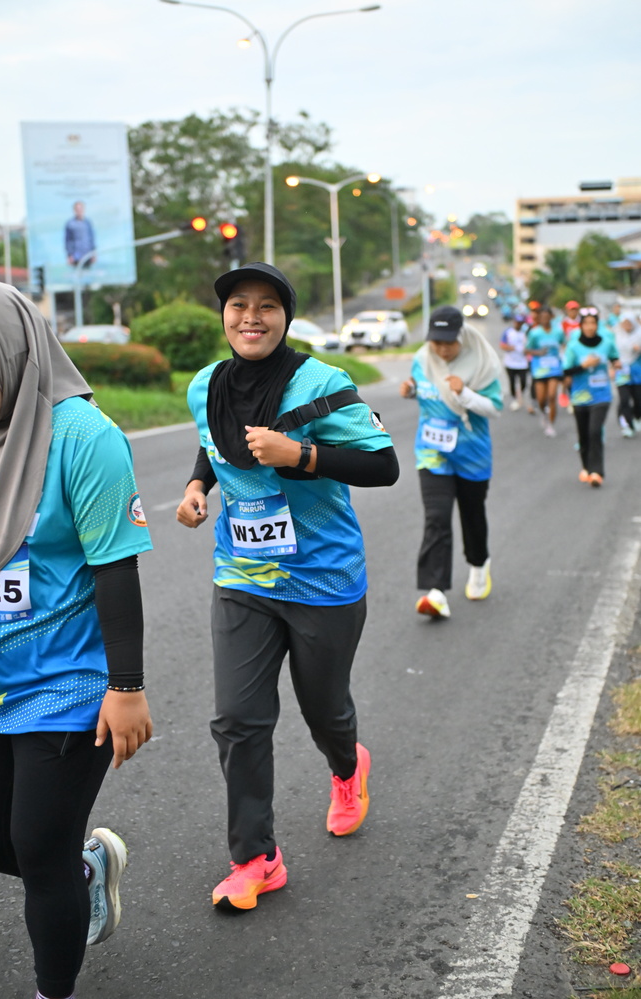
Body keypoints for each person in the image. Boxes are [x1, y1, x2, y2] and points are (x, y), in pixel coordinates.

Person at [176, 262, 398, 912]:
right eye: (238, 304)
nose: (251, 317)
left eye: (267, 305)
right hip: (242, 574)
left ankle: (347, 764)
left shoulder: (322, 383)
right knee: (237, 719)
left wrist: (301, 454)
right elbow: (215, 441)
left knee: (324, 709)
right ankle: (255, 858)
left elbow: (383, 464)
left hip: (323, 578)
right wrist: (196, 486)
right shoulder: (205, 385)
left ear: (286, 316)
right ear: (224, 315)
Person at [0, 280, 153, 999]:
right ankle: (86, 868)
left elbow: (116, 568)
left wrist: (127, 687)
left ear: (12, 357)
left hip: (65, 681)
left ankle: (55, 988)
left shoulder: (84, 438)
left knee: (38, 848)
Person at [399, 305, 503, 620]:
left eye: (449, 342)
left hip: (472, 455)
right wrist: (411, 391)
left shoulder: (481, 362)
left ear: (461, 336)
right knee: (437, 517)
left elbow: (494, 408)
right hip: (433, 453)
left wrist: (465, 393)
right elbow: (425, 392)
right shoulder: (422, 359)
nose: (442, 349)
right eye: (436, 342)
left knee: (472, 516)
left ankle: (479, 564)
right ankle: (436, 592)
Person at [562, 306, 620, 486]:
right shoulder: (574, 346)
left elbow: (614, 357)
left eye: (593, 323)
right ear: (580, 326)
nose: (589, 327)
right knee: (584, 435)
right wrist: (584, 366)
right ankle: (586, 467)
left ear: (597, 325)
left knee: (595, 431)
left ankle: (596, 472)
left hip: (602, 395)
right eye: (586, 323)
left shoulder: (606, 342)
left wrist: (616, 365)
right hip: (580, 396)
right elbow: (566, 370)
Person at [526, 305, 565, 437]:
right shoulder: (534, 333)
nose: (545, 319)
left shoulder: (558, 331)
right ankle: (544, 413)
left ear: (551, 317)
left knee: (552, 396)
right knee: (541, 399)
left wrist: (564, 356)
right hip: (540, 369)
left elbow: (564, 344)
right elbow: (526, 350)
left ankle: (551, 424)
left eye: (547, 317)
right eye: (542, 317)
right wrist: (538, 352)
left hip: (554, 368)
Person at [614, 312, 641, 436]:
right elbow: (611, 354)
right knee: (624, 400)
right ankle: (626, 425)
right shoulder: (616, 336)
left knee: (638, 399)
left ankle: (637, 418)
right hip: (622, 373)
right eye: (624, 323)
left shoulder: (639, 334)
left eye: (629, 323)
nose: (627, 325)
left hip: (637, 373)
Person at [499, 313, 532, 412]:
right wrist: (513, 348)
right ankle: (515, 398)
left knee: (523, 382)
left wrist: (526, 351)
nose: (518, 324)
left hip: (522, 363)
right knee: (512, 382)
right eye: (517, 322)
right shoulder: (508, 332)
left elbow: (531, 346)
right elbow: (502, 345)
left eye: (520, 322)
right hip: (510, 363)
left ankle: (520, 395)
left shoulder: (526, 333)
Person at [65, 201, 96, 268]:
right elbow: (68, 241)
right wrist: (69, 255)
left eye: (80, 209)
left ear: (83, 209)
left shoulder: (87, 223)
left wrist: (93, 253)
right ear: (74, 210)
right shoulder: (70, 224)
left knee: (88, 272)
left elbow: (91, 238)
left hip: (88, 255)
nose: (79, 211)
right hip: (76, 256)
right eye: (77, 209)